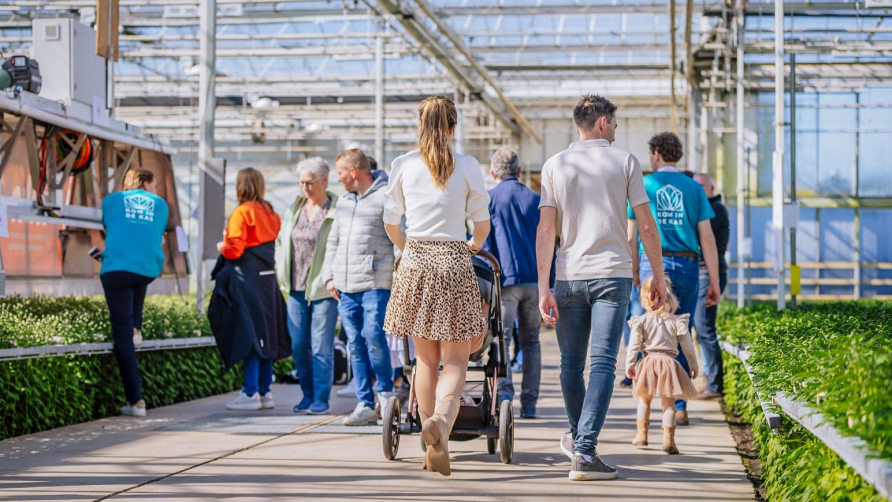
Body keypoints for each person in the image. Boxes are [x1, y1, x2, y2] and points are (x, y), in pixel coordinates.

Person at [537, 94, 668, 481]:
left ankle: (581, 443)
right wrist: (657, 276)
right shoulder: (625, 160)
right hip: (611, 274)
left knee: (571, 364)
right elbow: (646, 226)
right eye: (614, 121)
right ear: (600, 123)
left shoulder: (554, 164)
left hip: (567, 274)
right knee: (603, 364)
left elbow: (547, 229)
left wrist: (544, 285)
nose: (616, 128)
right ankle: (584, 450)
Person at [383, 95, 490, 476]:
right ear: (452, 127)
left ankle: (431, 442)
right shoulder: (468, 166)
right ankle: (442, 424)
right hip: (454, 262)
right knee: (457, 359)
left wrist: (409, 249)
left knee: (424, 360)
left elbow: (391, 221)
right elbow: (481, 225)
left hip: (414, 262)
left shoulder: (403, 165)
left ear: (421, 126)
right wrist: (473, 244)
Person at [627, 132, 721, 426]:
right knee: (681, 332)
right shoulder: (694, 188)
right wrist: (715, 280)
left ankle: (646, 401)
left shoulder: (644, 185)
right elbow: (707, 237)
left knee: (651, 335)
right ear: (676, 155)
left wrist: (634, 269)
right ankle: (678, 405)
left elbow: (633, 234)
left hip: (650, 263)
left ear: (655, 154)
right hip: (688, 265)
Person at [322, 149, 395, 426]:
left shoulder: (386, 197)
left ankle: (386, 396)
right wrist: (329, 277)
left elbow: (400, 236)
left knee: (373, 336)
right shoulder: (343, 201)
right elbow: (333, 241)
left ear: (353, 172)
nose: (337, 177)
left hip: (376, 282)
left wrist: (397, 273)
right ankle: (365, 402)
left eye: (340, 172)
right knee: (355, 343)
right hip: (345, 285)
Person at [209, 167, 291, 411]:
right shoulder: (271, 212)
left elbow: (234, 249)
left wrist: (221, 246)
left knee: (251, 336)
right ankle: (265, 392)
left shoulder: (242, 212)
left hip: (246, 280)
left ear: (240, 186)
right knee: (267, 334)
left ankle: (249, 392)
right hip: (267, 280)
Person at [100, 168, 169, 417]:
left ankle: (135, 401)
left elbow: (111, 227)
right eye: (154, 185)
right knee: (137, 281)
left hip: (117, 269)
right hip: (146, 268)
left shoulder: (111, 200)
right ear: (145, 183)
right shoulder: (160, 205)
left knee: (122, 339)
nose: (156, 191)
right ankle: (136, 326)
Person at [483, 146, 545, 419]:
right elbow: (548, 244)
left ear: (493, 172)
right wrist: (549, 283)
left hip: (503, 282)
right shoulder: (536, 200)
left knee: (502, 340)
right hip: (534, 280)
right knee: (531, 342)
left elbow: (484, 247)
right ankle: (529, 404)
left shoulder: (489, 200)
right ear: (519, 171)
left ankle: (504, 395)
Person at [276, 157, 339, 415]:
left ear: (324, 180)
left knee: (321, 345)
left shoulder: (336, 209)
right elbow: (282, 240)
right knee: (299, 345)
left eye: (309, 182)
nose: (304, 187)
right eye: (301, 182)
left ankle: (321, 399)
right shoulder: (295, 207)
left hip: (323, 288)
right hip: (296, 287)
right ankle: (307, 395)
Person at [626, 276, 699, 454]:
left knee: (644, 399)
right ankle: (669, 441)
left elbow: (633, 345)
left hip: (648, 362)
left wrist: (630, 364)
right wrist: (693, 364)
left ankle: (642, 435)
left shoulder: (641, 321)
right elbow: (687, 346)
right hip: (669, 364)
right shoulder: (676, 321)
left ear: (644, 298)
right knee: (669, 404)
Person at [692, 173, 730, 400]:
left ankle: (715, 385)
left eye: (701, 186)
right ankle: (708, 378)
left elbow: (700, 236)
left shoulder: (716, 210)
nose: (697, 191)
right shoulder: (706, 207)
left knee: (705, 329)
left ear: (712, 188)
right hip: (702, 274)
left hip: (711, 274)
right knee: (700, 330)